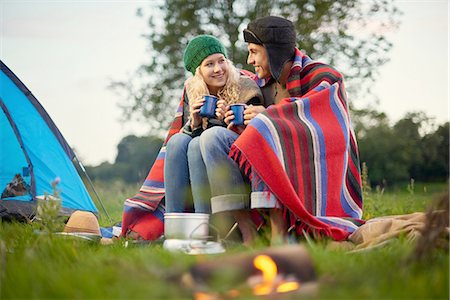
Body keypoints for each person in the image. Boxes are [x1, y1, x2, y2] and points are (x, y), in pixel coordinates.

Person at [200, 16, 364, 245]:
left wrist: (267, 117)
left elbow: (331, 131)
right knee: (213, 138)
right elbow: (253, 126)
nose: (249, 60)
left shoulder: (324, 76)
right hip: (269, 157)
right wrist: (236, 118)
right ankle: (247, 232)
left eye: (254, 52)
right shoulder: (259, 83)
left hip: (312, 161)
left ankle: (279, 230)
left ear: (273, 51)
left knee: (264, 126)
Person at [120, 35, 264, 240]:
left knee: (198, 144)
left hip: (235, 161)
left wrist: (226, 120)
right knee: (178, 141)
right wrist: (194, 121)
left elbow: (252, 134)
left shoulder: (246, 86)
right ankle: (176, 230)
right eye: (209, 64)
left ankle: (204, 228)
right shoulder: (193, 91)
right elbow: (187, 136)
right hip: (202, 162)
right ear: (198, 72)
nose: (218, 69)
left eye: (221, 60)